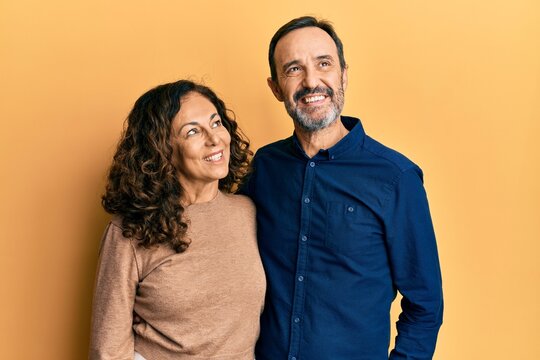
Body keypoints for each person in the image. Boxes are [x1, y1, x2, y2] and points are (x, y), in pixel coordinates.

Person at [240, 16, 443, 359]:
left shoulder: (396, 178)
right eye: (293, 69)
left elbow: (424, 306)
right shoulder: (265, 167)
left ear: (343, 74)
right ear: (275, 87)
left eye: (324, 64)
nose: (311, 81)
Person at [89, 80, 266, 360]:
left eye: (216, 123)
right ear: (162, 149)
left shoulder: (247, 212)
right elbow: (108, 350)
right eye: (193, 131)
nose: (215, 139)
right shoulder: (130, 231)